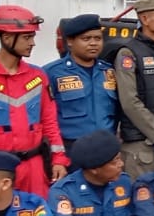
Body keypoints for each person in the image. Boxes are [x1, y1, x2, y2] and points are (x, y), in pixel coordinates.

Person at [0, 4, 68, 194]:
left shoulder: (39, 77)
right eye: (27, 37)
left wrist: (59, 158)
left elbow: (50, 122)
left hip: (35, 168)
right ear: (7, 37)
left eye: (33, 37)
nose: (32, 43)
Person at [46, 14, 118, 146]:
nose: (93, 43)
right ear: (70, 42)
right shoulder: (52, 73)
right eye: (86, 39)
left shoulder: (109, 71)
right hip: (70, 146)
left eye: (98, 38)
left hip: (106, 145)